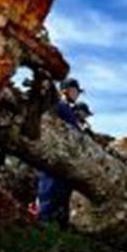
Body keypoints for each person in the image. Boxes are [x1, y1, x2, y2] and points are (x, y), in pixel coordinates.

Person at [36, 77, 84, 227]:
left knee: (62, 195)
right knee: (50, 193)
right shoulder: (59, 106)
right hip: (55, 158)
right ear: (67, 91)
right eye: (76, 91)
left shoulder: (67, 109)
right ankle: (43, 225)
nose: (77, 95)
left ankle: (57, 227)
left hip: (65, 160)